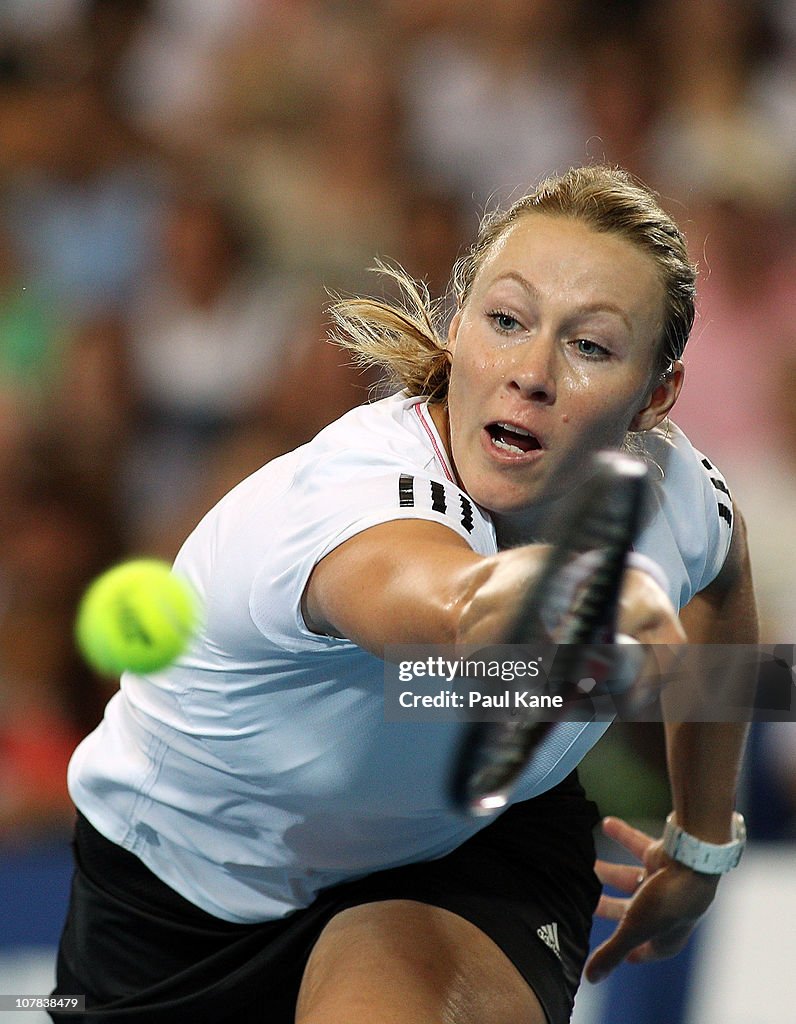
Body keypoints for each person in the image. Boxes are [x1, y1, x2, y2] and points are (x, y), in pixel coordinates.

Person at [51, 165, 757, 1024]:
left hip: (465, 855)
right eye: (507, 321)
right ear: (457, 330)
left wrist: (701, 843)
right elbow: (452, 615)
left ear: (658, 396)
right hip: (174, 911)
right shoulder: (353, 498)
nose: (532, 372)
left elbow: (721, 588)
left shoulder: (674, 495)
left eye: (592, 346)